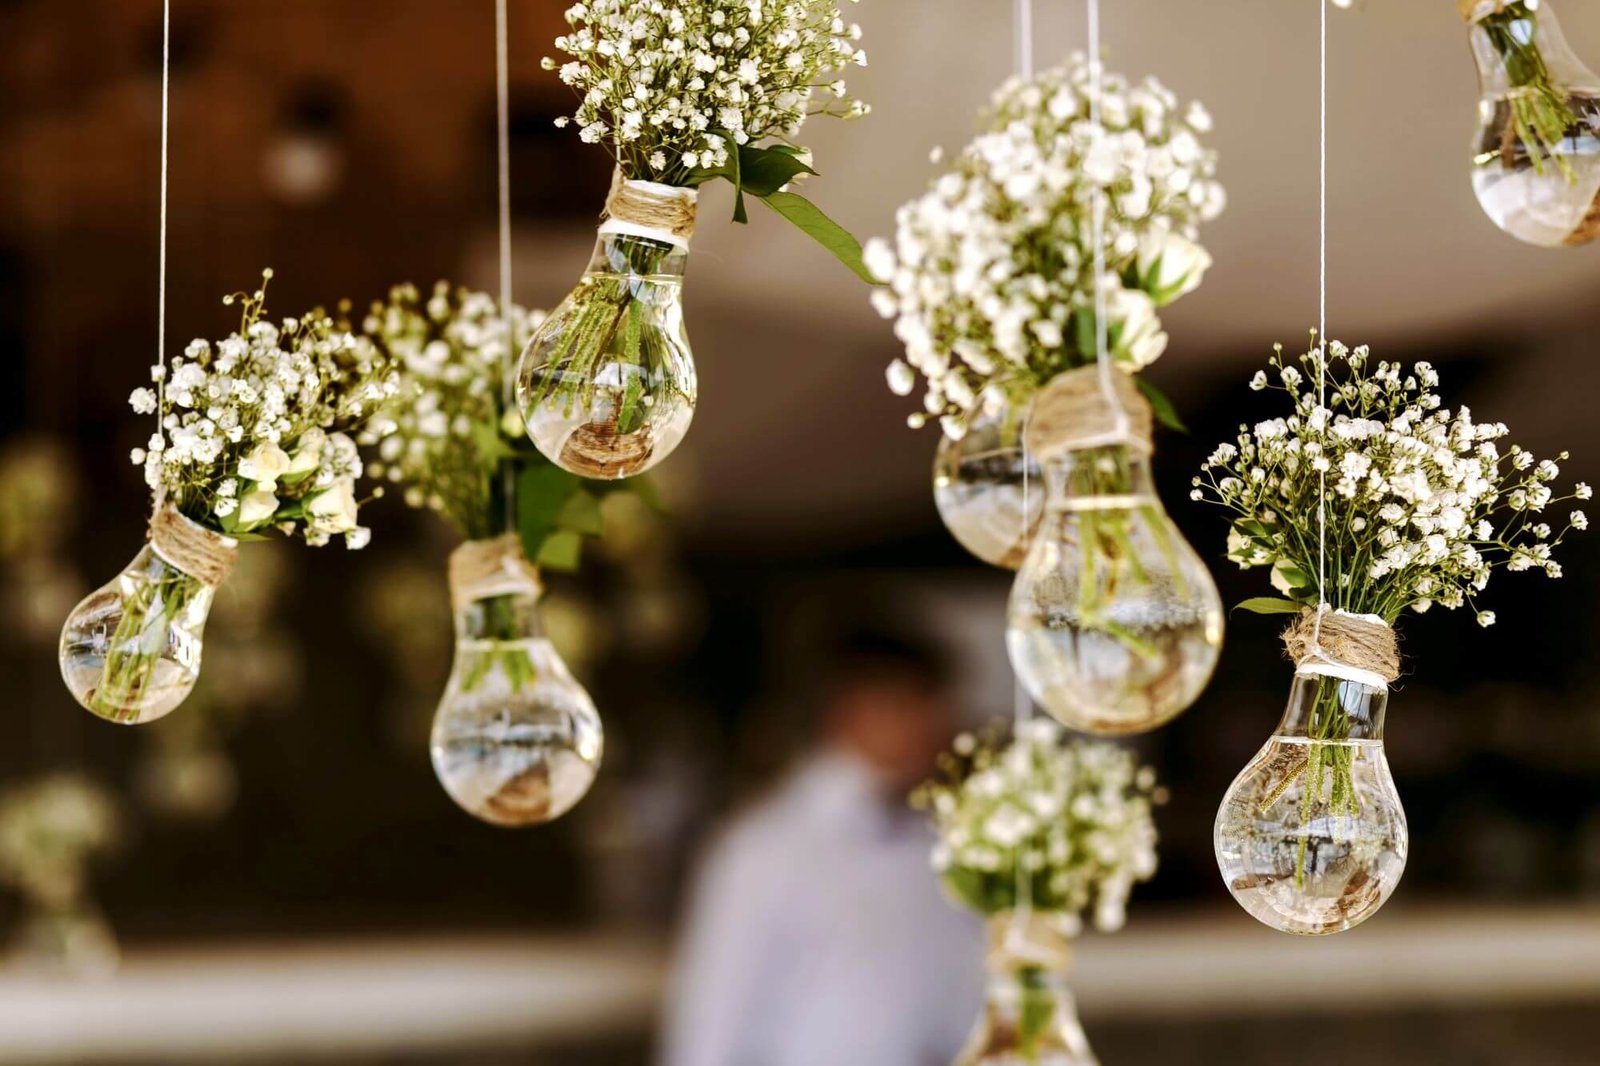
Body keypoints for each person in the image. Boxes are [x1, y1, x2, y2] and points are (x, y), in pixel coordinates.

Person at [659, 629, 985, 1066]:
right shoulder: (763, 849)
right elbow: (709, 1031)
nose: (939, 725)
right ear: (850, 709)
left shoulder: (932, 841)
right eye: (915, 704)